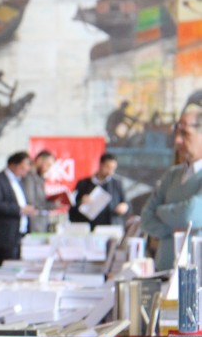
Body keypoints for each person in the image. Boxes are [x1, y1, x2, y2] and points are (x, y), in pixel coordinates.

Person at [141, 107, 202, 270]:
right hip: (164, 270)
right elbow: (146, 217)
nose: (177, 141)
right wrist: (176, 229)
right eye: (177, 134)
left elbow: (190, 214)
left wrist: (159, 211)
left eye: (185, 134)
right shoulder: (171, 175)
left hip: (196, 277)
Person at [0, 151, 37, 267]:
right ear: (14, 164)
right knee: (3, 268)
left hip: (18, 234)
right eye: (24, 165)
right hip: (3, 236)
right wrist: (20, 210)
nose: (27, 169)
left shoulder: (19, 182)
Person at [70, 153, 129, 228]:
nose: (110, 171)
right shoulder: (84, 184)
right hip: (89, 226)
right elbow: (72, 207)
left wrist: (124, 207)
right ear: (101, 165)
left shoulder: (117, 184)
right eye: (107, 167)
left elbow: (125, 202)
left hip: (111, 225)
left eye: (113, 168)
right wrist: (81, 202)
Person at [22, 149, 56, 233]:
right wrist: (51, 205)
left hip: (41, 224)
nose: (48, 169)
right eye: (48, 165)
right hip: (33, 224)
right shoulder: (29, 177)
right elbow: (31, 202)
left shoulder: (39, 178)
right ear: (40, 160)